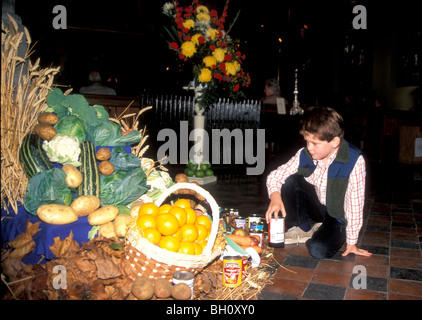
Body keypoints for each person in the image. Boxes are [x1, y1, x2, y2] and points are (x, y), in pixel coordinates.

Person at [265, 106, 372, 259]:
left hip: (336, 213)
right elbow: (276, 175)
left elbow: (355, 203)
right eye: (307, 141)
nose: (309, 147)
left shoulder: (353, 161)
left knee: (318, 250)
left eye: (315, 143)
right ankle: (303, 227)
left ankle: (324, 230)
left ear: (334, 142)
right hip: (317, 204)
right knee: (289, 180)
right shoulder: (306, 154)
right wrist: (275, 196)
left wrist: (352, 241)